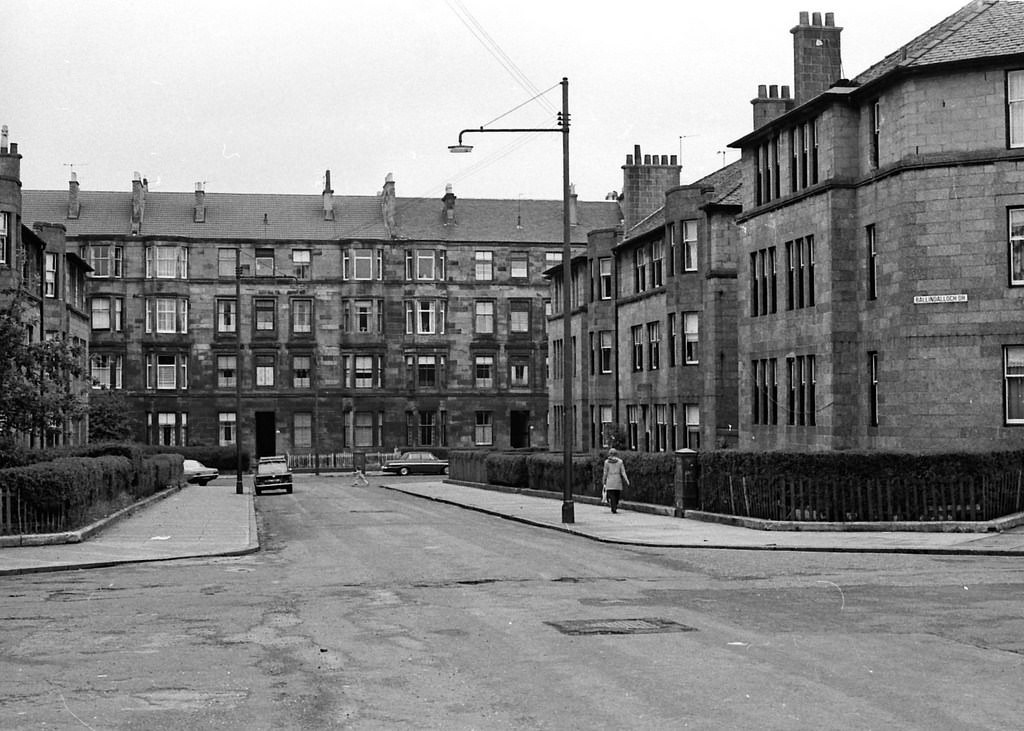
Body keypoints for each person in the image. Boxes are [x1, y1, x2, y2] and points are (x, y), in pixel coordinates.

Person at [601, 448, 629, 514]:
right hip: (617, 479)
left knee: (611, 494)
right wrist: (626, 479)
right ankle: (615, 505)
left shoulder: (606, 462)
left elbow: (605, 472)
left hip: (610, 480)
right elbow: (623, 472)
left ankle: (613, 506)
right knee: (617, 494)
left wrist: (603, 480)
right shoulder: (620, 462)